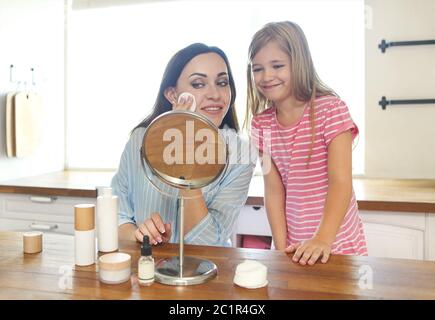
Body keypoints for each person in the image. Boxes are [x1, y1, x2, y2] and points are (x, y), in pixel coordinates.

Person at [246, 21, 367, 265]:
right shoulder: (261, 125)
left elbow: (340, 182)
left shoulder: (331, 110)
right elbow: (274, 191)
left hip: (337, 243)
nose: (267, 76)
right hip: (294, 246)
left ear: (299, 63)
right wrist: (281, 248)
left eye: (277, 66)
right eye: (258, 69)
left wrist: (323, 239)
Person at [111, 43, 255, 247]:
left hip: (211, 272)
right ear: (172, 94)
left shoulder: (241, 154)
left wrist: (186, 162)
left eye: (222, 82)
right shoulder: (140, 140)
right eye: (198, 84)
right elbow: (118, 216)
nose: (215, 94)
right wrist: (142, 236)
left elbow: (208, 243)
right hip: (149, 270)